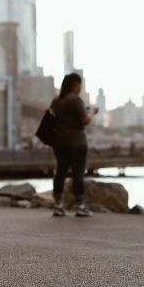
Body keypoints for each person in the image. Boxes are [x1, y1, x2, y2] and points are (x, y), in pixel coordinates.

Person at [49, 73, 98, 217]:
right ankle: (80, 206)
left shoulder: (56, 100)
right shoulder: (75, 99)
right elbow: (84, 120)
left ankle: (58, 205)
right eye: (79, 84)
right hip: (77, 141)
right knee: (78, 173)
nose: (80, 87)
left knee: (60, 172)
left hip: (59, 141)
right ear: (74, 84)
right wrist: (92, 112)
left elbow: (54, 120)